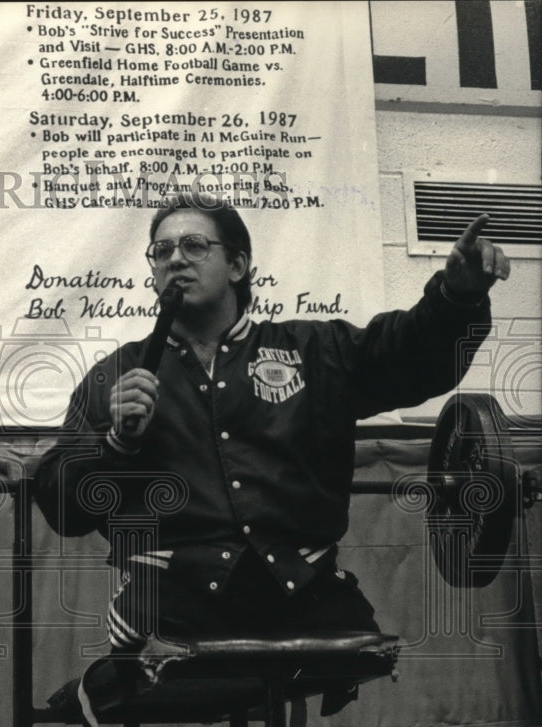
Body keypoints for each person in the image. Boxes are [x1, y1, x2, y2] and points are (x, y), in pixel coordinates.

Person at [32, 193, 510, 664]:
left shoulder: (312, 351)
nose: (175, 258)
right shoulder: (113, 377)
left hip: (305, 600)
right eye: (162, 251)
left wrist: (456, 297)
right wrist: (115, 444)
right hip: (170, 608)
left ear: (238, 266)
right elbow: (63, 509)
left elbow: (407, 355)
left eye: (194, 246)